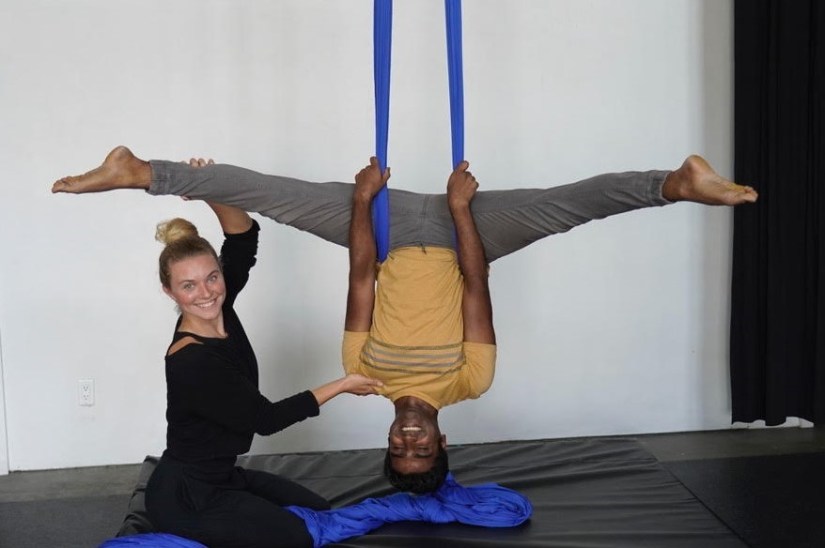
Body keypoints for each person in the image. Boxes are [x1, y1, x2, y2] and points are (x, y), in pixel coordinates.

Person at [52, 147, 758, 494]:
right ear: (442, 441)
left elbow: (361, 276)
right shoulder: (470, 382)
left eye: (400, 451)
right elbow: (476, 284)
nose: (410, 440)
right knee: (570, 205)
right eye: (422, 451)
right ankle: (676, 184)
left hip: (383, 232)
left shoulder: (365, 373)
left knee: (266, 193)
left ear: (389, 442)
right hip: (466, 232)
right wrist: (459, 210)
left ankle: (143, 171)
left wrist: (364, 201)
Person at [111, 161, 383, 548]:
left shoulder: (222, 307)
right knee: (295, 538)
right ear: (170, 292)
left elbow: (243, 237)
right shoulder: (192, 360)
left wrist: (209, 186)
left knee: (319, 509)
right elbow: (266, 419)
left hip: (223, 475)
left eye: (212, 277)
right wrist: (343, 385)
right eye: (188, 286)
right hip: (187, 494)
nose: (205, 293)